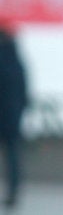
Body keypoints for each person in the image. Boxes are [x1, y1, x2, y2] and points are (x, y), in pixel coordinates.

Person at [0, 25, 28, 208]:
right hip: (13, 115)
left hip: (7, 113)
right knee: (13, 154)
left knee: (12, 154)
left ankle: (13, 191)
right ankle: (14, 190)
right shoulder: (16, 59)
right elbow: (24, 90)